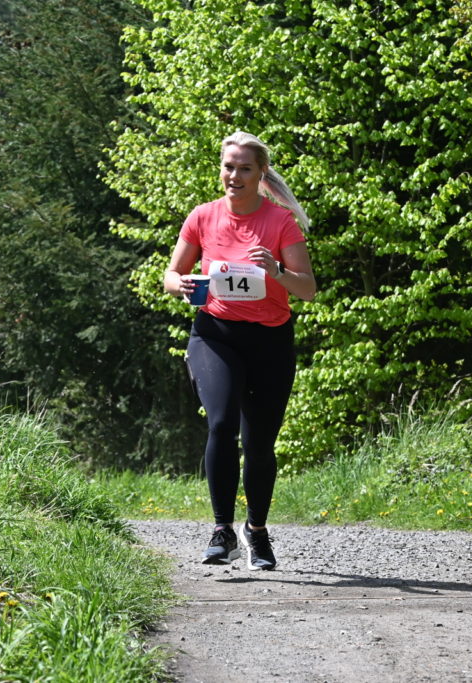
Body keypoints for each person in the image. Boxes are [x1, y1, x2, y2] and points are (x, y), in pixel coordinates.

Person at [163, 131, 316, 570]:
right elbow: (172, 274)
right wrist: (182, 284)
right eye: (229, 167)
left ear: (260, 173)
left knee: (260, 442)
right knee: (222, 423)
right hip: (215, 335)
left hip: (269, 340)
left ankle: (257, 532)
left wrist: (277, 270)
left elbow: (307, 290)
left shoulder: (280, 221)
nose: (235, 175)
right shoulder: (203, 217)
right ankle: (221, 530)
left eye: (245, 168)